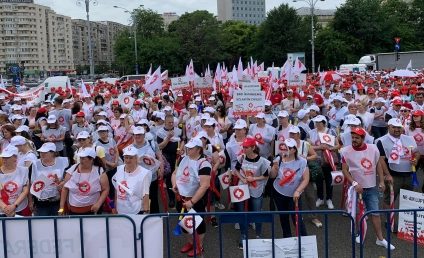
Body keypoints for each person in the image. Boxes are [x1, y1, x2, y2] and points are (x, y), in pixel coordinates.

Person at [340, 127, 395, 250]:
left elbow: (377, 165)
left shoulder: (373, 148)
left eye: (357, 138)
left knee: (375, 213)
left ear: (363, 138)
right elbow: (344, 170)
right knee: (359, 213)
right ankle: (360, 233)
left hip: (371, 187)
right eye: (352, 137)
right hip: (356, 189)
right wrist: (354, 183)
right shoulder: (345, 151)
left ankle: (380, 239)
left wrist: (381, 180)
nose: (354, 140)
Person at [171, 138, 211, 257]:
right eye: (187, 147)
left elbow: (205, 185)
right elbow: (175, 173)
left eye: (191, 148)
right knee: (184, 222)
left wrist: (192, 201)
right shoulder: (184, 158)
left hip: (194, 199)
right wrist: (174, 185)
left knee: (198, 224)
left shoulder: (204, 164)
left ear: (199, 149)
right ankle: (190, 242)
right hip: (181, 197)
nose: (188, 149)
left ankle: (200, 245)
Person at [233, 137, 270, 248]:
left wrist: (254, 179)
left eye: (246, 147)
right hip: (242, 189)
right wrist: (242, 178)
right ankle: (243, 235)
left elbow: (266, 175)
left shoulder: (262, 161)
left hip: (256, 190)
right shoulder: (241, 158)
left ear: (253, 147)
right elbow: (236, 170)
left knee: (257, 213)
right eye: (243, 147)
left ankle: (258, 235)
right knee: (241, 213)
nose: (244, 149)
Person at [376, 118, 419, 211]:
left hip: (409, 175)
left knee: (408, 201)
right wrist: (387, 175)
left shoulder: (409, 139)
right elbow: (380, 160)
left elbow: (417, 153)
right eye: (394, 127)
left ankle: (406, 223)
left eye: (399, 127)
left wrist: (416, 159)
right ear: (388, 127)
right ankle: (389, 222)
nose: (397, 129)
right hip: (393, 176)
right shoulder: (381, 141)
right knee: (389, 200)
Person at [270, 138, 309, 238]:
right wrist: (274, 168)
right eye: (284, 146)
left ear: (294, 150)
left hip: (294, 194)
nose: (285, 149)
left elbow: (306, 179)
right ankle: (287, 239)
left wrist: (298, 191)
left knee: (297, 219)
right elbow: (272, 176)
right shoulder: (278, 159)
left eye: (288, 147)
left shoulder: (302, 161)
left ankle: (304, 240)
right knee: (283, 218)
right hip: (279, 192)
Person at [288, 126, 322, 228]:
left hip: (305, 173)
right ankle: (298, 215)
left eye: (293, 134)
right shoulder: (287, 144)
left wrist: (306, 158)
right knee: (294, 196)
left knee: (310, 195)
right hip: (291, 174)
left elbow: (315, 155)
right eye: (290, 133)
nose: (292, 135)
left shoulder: (305, 144)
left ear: (299, 134)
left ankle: (314, 217)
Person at [59, 148, 109, 215]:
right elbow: (65, 188)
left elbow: (105, 189)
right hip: (73, 211)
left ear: (91, 159)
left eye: (83, 158)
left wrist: (98, 204)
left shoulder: (99, 171)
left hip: (92, 212)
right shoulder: (72, 169)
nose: (81, 160)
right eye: (80, 158)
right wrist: (61, 207)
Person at [129, 126, 164, 213]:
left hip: (152, 177)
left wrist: (161, 168)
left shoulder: (152, 144)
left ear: (144, 135)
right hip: (137, 179)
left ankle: (155, 219)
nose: (138, 136)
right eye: (136, 135)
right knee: (139, 200)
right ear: (133, 135)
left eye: (140, 134)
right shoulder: (130, 148)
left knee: (153, 199)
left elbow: (159, 156)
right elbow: (127, 163)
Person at [308, 115, 338, 209]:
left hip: (328, 160)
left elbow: (338, 145)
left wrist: (329, 148)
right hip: (316, 160)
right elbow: (308, 146)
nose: (317, 124)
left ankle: (329, 199)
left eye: (319, 122)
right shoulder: (311, 132)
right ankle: (320, 198)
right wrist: (319, 147)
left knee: (329, 180)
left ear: (324, 123)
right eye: (316, 122)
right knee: (318, 180)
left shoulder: (331, 131)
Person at [30, 142, 69, 216]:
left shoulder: (64, 161)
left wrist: (62, 182)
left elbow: (69, 179)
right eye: (41, 152)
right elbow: (32, 182)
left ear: (53, 153)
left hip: (59, 201)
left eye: (45, 152)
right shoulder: (35, 164)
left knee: (58, 223)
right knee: (43, 223)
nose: (42, 154)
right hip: (41, 202)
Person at [112, 145, 152, 214]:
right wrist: (115, 206)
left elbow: (146, 194)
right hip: (121, 209)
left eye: (131, 158)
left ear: (136, 158)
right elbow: (116, 189)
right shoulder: (119, 169)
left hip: (136, 210)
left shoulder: (144, 173)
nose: (128, 160)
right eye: (126, 157)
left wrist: (146, 213)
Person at [0, 145, 30, 217]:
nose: (4, 160)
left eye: (7, 157)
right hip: (2, 210)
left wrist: (14, 205)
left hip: (20, 208)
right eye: (3, 157)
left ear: (15, 158)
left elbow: (25, 191)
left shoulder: (24, 170)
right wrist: (4, 207)